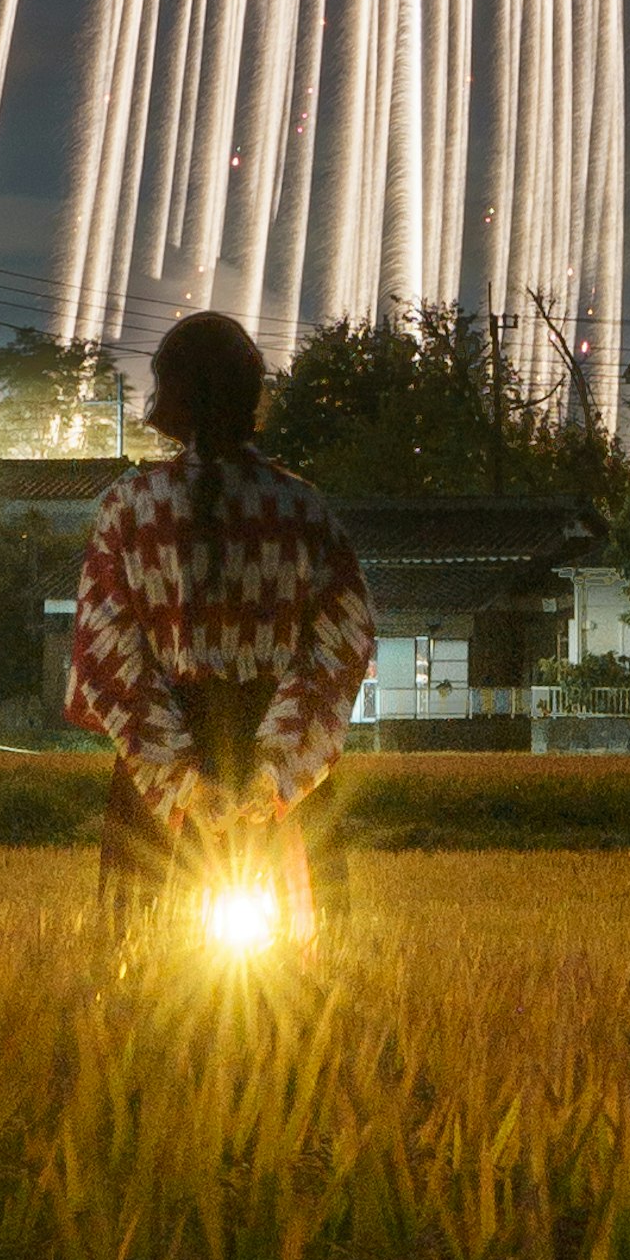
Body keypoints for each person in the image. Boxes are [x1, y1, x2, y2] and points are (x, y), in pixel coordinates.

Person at [64, 311, 376, 926]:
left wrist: (180, 775)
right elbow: (341, 647)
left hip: (160, 780)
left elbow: (107, 659)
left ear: (168, 400)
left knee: (143, 970)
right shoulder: (302, 507)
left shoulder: (128, 508)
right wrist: (274, 770)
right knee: (303, 976)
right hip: (281, 766)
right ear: (249, 394)